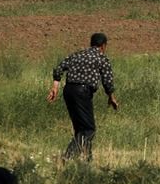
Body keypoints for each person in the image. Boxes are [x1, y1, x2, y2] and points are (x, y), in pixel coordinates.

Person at [47, 33, 118, 162]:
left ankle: (87, 160)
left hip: (68, 91)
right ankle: (67, 157)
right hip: (82, 92)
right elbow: (107, 80)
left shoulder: (76, 55)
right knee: (89, 130)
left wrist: (55, 87)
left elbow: (58, 69)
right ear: (103, 46)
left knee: (80, 128)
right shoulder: (101, 58)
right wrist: (111, 96)